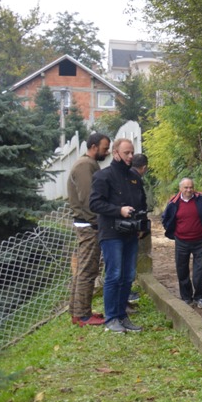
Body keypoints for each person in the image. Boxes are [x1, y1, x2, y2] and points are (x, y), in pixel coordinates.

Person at [90, 138, 147, 333]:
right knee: (114, 274)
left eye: (132, 152)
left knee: (128, 275)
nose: (131, 156)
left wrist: (143, 226)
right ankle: (111, 318)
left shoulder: (134, 176)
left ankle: (122, 315)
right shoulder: (102, 176)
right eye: (126, 153)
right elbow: (95, 204)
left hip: (131, 233)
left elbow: (142, 203)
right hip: (111, 233)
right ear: (115, 153)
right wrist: (118, 210)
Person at [67, 132, 111, 326]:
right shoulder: (85, 166)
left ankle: (76, 311)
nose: (107, 151)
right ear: (94, 147)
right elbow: (88, 198)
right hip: (88, 224)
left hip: (86, 223)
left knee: (84, 269)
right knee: (87, 270)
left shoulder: (88, 164)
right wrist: (97, 222)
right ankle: (83, 315)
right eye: (104, 148)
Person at [161, 177, 202, 309]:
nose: (189, 190)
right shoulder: (174, 202)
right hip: (181, 241)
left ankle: (199, 296)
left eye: (191, 187)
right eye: (186, 187)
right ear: (180, 189)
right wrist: (172, 232)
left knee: (200, 270)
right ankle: (186, 297)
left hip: (199, 240)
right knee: (182, 270)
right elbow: (165, 218)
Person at [129, 153, 151, 299]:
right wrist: (142, 226)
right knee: (129, 260)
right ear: (144, 167)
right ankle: (127, 293)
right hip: (132, 226)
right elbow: (139, 204)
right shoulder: (134, 180)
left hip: (127, 224)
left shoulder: (125, 176)